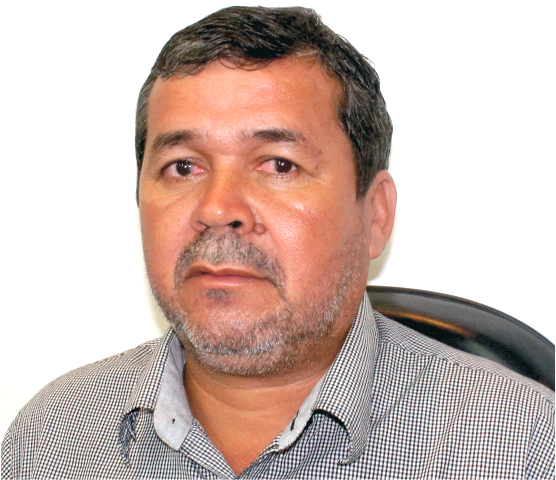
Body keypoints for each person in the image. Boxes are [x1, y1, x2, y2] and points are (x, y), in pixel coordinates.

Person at [2, 6, 553, 479]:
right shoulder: (50, 442)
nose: (218, 208)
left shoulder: (522, 448)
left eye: (279, 165)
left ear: (375, 214)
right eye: (183, 166)